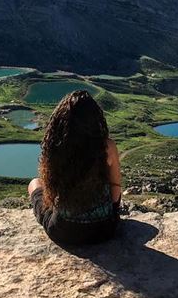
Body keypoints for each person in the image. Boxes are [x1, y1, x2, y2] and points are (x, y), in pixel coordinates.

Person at [28, 90, 122, 244]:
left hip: (64, 232)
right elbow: (116, 187)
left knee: (35, 183)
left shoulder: (56, 146)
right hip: (105, 230)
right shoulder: (107, 146)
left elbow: (51, 192)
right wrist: (111, 216)